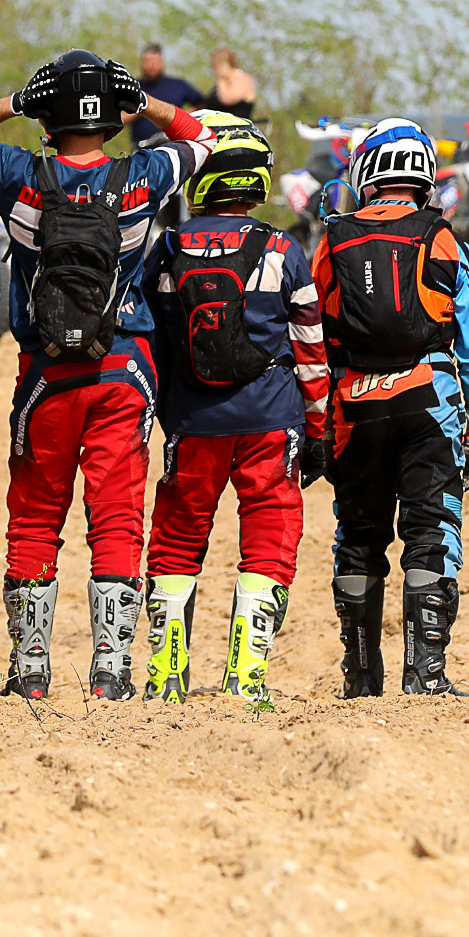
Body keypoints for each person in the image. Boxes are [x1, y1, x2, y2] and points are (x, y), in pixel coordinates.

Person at [0, 50, 212, 699]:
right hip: (125, 368)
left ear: (47, 116)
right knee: (116, 516)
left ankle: (30, 670)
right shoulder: (142, 174)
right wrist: (145, 103)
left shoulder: (18, 174)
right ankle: (110, 673)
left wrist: (12, 102)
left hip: (45, 374)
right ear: (112, 117)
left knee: (35, 515)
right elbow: (202, 137)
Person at [138, 112, 329, 703]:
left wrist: (169, 412)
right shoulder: (283, 249)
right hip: (271, 417)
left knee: (177, 535)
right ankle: (247, 678)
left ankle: (166, 676)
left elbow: (155, 340)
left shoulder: (167, 249)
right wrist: (318, 423)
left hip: (193, 422)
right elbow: (310, 348)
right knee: (270, 530)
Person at [311, 119, 469, 696]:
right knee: (431, 529)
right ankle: (426, 675)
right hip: (429, 399)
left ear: (366, 171)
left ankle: (361, 677)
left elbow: (311, 333)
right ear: (423, 174)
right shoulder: (443, 238)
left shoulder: (333, 237)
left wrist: (316, 421)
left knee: (358, 535)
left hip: (352, 406)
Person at [132, 43, 203, 147]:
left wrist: (185, 117)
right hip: (142, 148)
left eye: (156, 61)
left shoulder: (178, 85)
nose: (152, 65)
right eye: (148, 61)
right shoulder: (133, 88)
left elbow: (202, 104)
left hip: (174, 146)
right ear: (142, 63)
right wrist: (145, 109)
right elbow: (121, 117)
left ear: (162, 63)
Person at [206, 48, 258, 119]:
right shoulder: (221, 83)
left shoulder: (242, 79)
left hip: (237, 127)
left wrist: (222, 80)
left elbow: (227, 100)